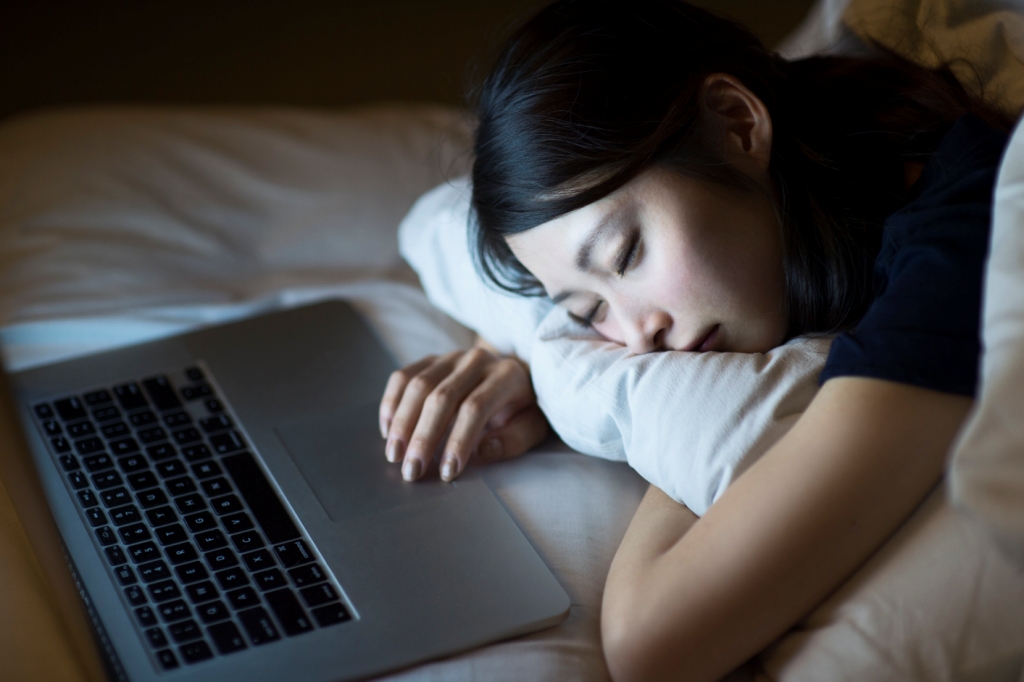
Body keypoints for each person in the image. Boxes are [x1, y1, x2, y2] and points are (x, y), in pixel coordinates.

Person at [377, 0, 1013, 679]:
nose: (638, 337)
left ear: (738, 123)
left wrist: (666, 419)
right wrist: (511, 354)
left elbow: (652, 642)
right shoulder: (814, 171)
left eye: (626, 255)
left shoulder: (955, 251)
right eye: (586, 309)